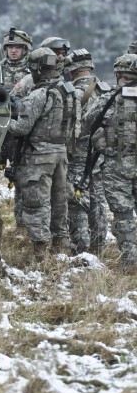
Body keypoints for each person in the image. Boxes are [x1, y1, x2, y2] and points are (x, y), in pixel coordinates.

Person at [8, 47, 79, 259]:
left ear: (37, 69)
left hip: (38, 157)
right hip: (61, 153)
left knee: (37, 203)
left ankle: (41, 252)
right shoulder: (69, 92)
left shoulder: (39, 94)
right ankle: (61, 245)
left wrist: (3, 122)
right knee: (60, 202)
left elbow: (21, 128)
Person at [82, 53, 137, 272]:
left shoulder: (110, 98)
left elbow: (88, 122)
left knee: (123, 215)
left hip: (118, 165)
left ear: (119, 74)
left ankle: (132, 261)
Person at [64, 48, 110, 254]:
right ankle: (99, 247)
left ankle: (80, 247)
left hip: (77, 155)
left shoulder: (70, 92)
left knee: (76, 200)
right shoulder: (106, 90)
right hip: (100, 155)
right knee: (98, 201)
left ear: (71, 70)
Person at [0, 28, 33, 233]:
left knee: (22, 176)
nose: (13, 51)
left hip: (21, 130)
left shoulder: (32, 72)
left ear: (25, 49)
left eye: (18, 47)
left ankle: (21, 224)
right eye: (10, 47)